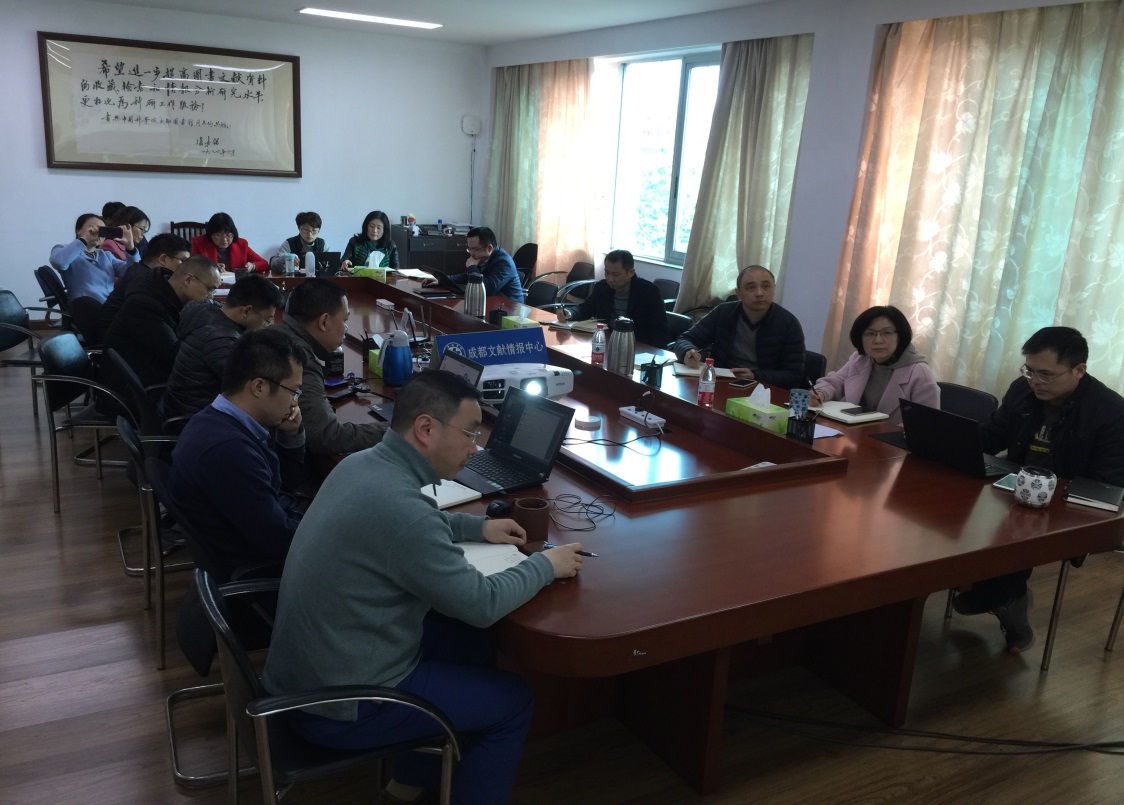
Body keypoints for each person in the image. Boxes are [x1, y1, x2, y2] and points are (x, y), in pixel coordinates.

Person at [262, 371, 584, 805]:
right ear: (426, 429)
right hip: (340, 706)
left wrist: (476, 527)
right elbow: (482, 603)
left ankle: (412, 779)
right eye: (470, 434)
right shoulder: (403, 510)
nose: (475, 448)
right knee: (513, 701)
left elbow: (414, 522)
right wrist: (543, 565)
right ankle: (426, 773)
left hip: (306, 676)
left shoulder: (363, 464)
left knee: (466, 642)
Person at [953, 327, 1124, 654]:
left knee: (1014, 527)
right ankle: (997, 592)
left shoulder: (1111, 412)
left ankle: (1000, 594)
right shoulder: (1022, 390)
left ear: (1079, 370)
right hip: (1009, 487)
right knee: (950, 509)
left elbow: (1108, 484)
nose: (1035, 381)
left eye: (1046, 374)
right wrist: (953, 442)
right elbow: (992, 436)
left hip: (1065, 506)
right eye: (1029, 371)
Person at [166, 328, 306, 582]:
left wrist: (291, 436)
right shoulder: (228, 451)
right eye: (293, 391)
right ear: (259, 387)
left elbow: (279, 486)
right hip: (261, 573)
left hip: (252, 543)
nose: (295, 403)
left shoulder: (215, 420)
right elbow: (281, 541)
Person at [273, 278, 386, 456]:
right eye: (344, 320)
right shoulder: (300, 360)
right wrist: (394, 432)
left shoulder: (276, 333)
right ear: (324, 322)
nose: (346, 328)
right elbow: (327, 436)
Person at [97, 256, 222, 412]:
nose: (211, 296)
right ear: (188, 280)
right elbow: (176, 355)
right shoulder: (144, 305)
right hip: (135, 393)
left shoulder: (166, 294)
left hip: (154, 379)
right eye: (210, 289)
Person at [163, 274, 283, 424]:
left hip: (180, 405)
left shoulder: (206, 311)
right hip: (193, 419)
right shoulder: (221, 342)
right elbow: (250, 389)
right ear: (246, 311)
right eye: (267, 320)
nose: (269, 325)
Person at [672, 265, 806, 387]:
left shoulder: (789, 323)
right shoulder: (724, 312)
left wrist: (755, 375)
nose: (759, 293)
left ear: (774, 289)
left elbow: (793, 375)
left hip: (762, 390)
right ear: (739, 293)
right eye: (751, 288)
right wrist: (688, 351)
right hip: (722, 383)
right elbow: (685, 339)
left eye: (766, 286)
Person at [810, 305, 939, 424]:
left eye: (886, 333)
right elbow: (836, 381)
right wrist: (821, 393)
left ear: (900, 336)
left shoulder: (920, 373)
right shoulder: (860, 359)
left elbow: (926, 424)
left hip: (892, 439)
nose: (878, 340)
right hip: (855, 432)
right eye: (870, 333)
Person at [557, 249, 669, 347]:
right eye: (607, 273)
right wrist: (569, 313)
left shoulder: (649, 292)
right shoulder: (602, 287)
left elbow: (660, 330)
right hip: (606, 342)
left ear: (631, 272)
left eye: (616, 275)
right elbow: (586, 308)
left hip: (636, 346)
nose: (610, 279)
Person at [94, 233, 191, 343]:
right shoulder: (144, 281)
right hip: (115, 344)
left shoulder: (140, 271)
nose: (186, 268)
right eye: (183, 261)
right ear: (163, 259)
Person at [49, 213, 138, 303]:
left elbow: (133, 273)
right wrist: (85, 239)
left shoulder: (106, 255)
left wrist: (130, 248)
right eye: (92, 227)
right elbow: (59, 263)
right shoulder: (63, 249)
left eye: (102, 230)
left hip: (109, 305)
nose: (97, 232)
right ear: (78, 230)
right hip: (85, 306)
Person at [442, 226, 524, 303]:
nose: (471, 254)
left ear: (489, 248)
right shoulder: (482, 258)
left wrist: (472, 267)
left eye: (475, 249)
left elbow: (487, 289)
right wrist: (441, 279)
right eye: (470, 249)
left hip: (510, 308)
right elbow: (466, 276)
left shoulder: (504, 262)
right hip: (492, 303)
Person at [190, 212, 268, 274]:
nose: (224, 239)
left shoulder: (241, 244)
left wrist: (252, 266)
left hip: (235, 285)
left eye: (228, 234)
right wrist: (210, 267)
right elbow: (190, 266)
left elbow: (264, 263)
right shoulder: (198, 243)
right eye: (219, 235)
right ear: (210, 234)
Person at [340, 210, 399, 275]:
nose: (375, 231)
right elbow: (344, 260)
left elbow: (395, 270)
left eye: (379, 228)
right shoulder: (355, 242)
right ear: (366, 227)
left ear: (384, 230)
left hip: (382, 280)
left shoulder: (390, 246)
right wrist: (345, 262)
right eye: (372, 226)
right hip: (358, 280)